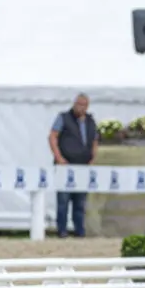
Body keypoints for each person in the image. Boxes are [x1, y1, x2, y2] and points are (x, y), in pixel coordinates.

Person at [48, 93, 99, 237]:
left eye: (84, 105)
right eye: (79, 104)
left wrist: (93, 158)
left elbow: (95, 140)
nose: (81, 107)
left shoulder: (91, 121)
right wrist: (58, 157)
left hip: (83, 166)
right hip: (66, 165)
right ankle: (62, 230)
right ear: (74, 103)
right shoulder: (63, 117)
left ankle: (79, 230)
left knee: (80, 201)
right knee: (63, 200)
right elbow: (52, 136)